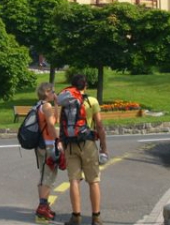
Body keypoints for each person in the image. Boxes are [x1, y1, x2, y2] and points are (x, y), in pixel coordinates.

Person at [60, 74, 107, 225]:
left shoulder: (67, 102)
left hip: (70, 145)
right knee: (93, 181)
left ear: (72, 86)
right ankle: (96, 217)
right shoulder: (91, 101)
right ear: (85, 85)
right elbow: (99, 125)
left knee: (74, 180)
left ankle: (76, 217)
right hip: (88, 144)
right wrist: (104, 147)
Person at [34, 82, 63, 222]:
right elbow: (52, 125)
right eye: (52, 92)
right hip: (48, 145)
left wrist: (56, 103)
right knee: (49, 176)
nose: (54, 94)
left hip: (40, 145)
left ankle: (43, 206)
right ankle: (42, 207)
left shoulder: (39, 105)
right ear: (46, 92)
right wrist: (58, 141)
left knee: (43, 175)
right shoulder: (46, 106)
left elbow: (54, 119)